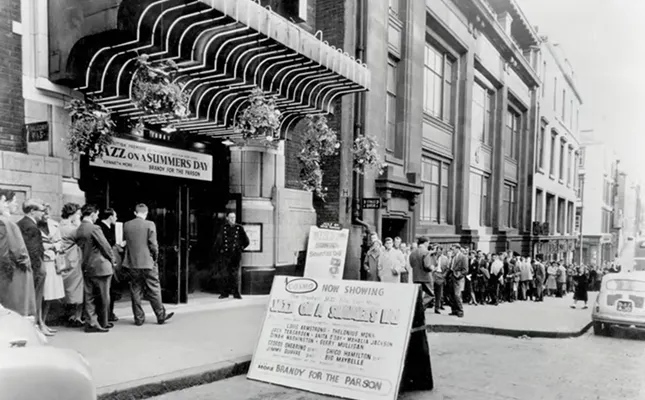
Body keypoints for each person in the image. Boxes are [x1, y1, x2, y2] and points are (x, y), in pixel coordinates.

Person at [123, 203, 174, 325]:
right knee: (154, 288)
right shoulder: (150, 224)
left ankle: (139, 318)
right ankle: (160, 315)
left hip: (133, 263)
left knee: (135, 289)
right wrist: (155, 257)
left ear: (135, 213)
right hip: (147, 262)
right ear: (146, 213)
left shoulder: (127, 225)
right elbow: (153, 244)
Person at [76, 204, 114, 333]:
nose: (97, 216)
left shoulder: (80, 228)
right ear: (92, 214)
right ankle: (103, 322)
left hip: (86, 266)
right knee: (104, 296)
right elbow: (105, 246)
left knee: (89, 296)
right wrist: (112, 259)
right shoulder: (94, 228)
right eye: (96, 214)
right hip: (100, 266)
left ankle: (91, 322)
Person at [0, 189, 37, 318]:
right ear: (4, 201)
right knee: (16, 312)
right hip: (14, 276)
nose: (16, 205)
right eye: (14, 201)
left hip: (15, 273)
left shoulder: (6, 221)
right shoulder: (3, 222)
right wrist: (22, 259)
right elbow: (4, 253)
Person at [17, 198, 47, 333]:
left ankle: (36, 325)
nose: (43, 213)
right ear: (32, 211)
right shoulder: (32, 227)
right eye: (41, 210)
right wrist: (38, 269)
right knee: (36, 297)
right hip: (36, 268)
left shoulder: (20, 223)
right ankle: (35, 327)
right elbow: (33, 251)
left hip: (27, 269)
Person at [38, 205, 65, 335]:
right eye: (44, 213)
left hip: (53, 263)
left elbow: (61, 242)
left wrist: (55, 246)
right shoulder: (34, 225)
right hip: (42, 261)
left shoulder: (54, 225)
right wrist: (49, 245)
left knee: (49, 295)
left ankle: (43, 322)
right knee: (41, 294)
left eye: (48, 213)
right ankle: (39, 323)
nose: (46, 216)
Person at [59, 202, 84, 327]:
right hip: (73, 261)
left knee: (66, 288)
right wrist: (78, 221)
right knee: (77, 289)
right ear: (73, 214)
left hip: (63, 261)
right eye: (78, 214)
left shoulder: (58, 225)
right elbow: (82, 234)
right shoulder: (72, 229)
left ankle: (69, 315)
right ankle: (76, 317)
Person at [213, 211, 250, 299]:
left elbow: (246, 241)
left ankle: (236, 293)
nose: (232, 219)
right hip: (225, 254)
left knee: (234, 274)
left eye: (234, 217)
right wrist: (219, 251)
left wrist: (240, 248)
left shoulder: (239, 228)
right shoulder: (223, 228)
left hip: (235, 254)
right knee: (224, 273)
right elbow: (218, 241)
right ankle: (224, 293)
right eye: (230, 217)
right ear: (227, 218)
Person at [97, 208, 125, 322]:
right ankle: (105, 315)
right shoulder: (100, 228)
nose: (117, 218)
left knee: (112, 288)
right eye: (115, 216)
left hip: (111, 261)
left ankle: (109, 313)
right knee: (106, 289)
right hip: (106, 262)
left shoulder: (110, 228)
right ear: (110, 217)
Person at [409, 237, 434, 308]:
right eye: (428, 243)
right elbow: (427, 265)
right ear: (425, 242)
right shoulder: (426, 252)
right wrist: (431, 267)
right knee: (430, 295)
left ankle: (418, 311)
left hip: (416, 277)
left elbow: (411, 264)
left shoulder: (413, 252)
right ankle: (420, 308)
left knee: (418, 296)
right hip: (426, 277)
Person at [447, 245, 468, 318]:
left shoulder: (463, 257)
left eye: (454, 249)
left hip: (458, 278)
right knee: (451, 294)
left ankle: (460, 310)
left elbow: (465, 270)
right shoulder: (453, 256)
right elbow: (451, 267)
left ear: (458, 249)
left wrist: (459, 276)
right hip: (451, 277)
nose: (452, 251)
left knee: (457, 295)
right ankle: (454, 310)